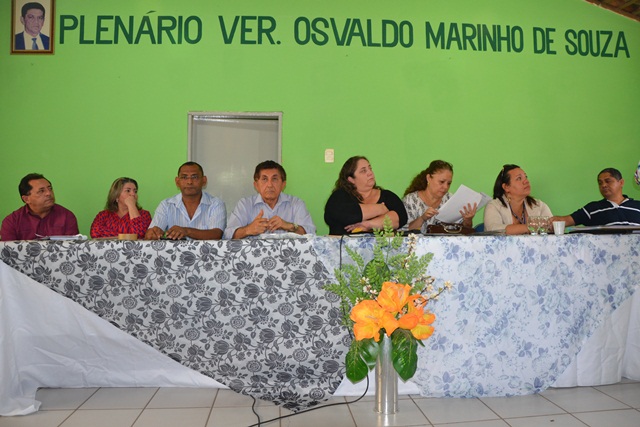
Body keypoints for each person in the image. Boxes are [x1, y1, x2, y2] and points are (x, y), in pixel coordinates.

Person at [224, 160, 316, 239]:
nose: (270, 185)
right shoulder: (245, 204)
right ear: (256, 185)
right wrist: (248, 230)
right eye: (264, 179)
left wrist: (290, 226)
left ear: (283, 184)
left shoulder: (296, 204)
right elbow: (227, 235)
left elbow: (311, 234)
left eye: (274, 179)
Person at [324, 156, 408, 235]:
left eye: (370, 168)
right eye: (363, 171)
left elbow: (400, 218)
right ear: (351, 179)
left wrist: (367, 224)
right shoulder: (340, 196)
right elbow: (340, 215)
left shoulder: (388, 196)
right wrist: (380, 209)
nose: (370, 173)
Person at [144, 162, 226, 240]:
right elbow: (153, 232)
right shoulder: (166, 205)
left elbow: (216, 234)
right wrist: (153, 233)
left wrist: (186, 231)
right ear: (177, 182)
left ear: (204, 180)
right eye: (184, 177)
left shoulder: (216, 204)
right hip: (174, 254)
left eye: (194, 177)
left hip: (207, 254)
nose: (189, 182)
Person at [402, 160, 477, 233]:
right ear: (428, 178)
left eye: (449, 183)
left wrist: (468, 220)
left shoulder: (451, 199)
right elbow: (402, 232)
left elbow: (465, 230)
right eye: (441, 182)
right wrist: (422, 218)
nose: (445, 187)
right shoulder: (411, 200)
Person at [551, 168, 640, 227]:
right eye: (600, 183)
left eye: (608, 181)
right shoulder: (592, 208)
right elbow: (566, 220)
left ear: (621, 183)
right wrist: (546, 222)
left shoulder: (637, 206)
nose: (604, 185)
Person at [1, 173, 78, 241]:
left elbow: (71, 249)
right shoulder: (12, 222)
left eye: (50, 188)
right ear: (26, 199)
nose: (48, 193)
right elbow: (8, 253)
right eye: (41, 191)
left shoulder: (67, 216)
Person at [484, 164, 552, 235]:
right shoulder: (494, 206)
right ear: (506, 187)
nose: (526, 181)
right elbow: (493, 230)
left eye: (526, 177)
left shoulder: (539, 205)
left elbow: (552, 227)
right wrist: (530, 227)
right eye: (519, 178)